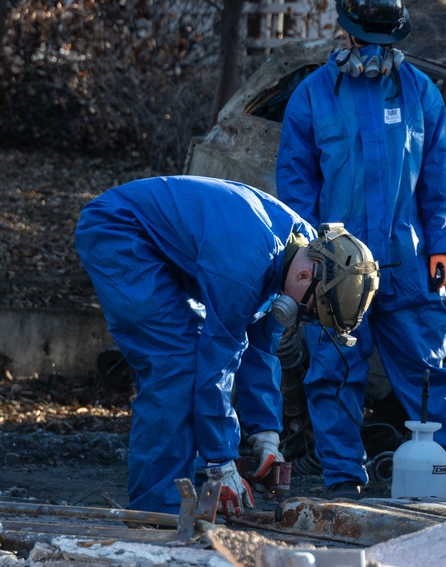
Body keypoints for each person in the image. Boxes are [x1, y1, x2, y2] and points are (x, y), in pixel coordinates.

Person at [275, 0, 446, 500]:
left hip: (407, 263)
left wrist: (442, 246)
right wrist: (307, 259)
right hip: (336, 268)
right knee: (334, 374)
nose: (374, 52)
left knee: (428, 374)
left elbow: (439, 180)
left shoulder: (421, 94)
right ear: (345, 34)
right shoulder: (311, 98)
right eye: (365, 42)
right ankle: (344, 481)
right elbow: (296, 187)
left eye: (384, 43)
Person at [75, 175, 378, 517]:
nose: (305, 316)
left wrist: (266, 436)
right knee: (176, 365)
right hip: (119, 229)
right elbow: (216, 365)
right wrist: (220, 463)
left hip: (157, 240)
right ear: (307, 278)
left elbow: (260, 348)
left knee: (187, 361)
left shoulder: (305, 249)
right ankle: (158, 514)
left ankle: (174, 500)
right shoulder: (245, 267)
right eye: (312, 310)